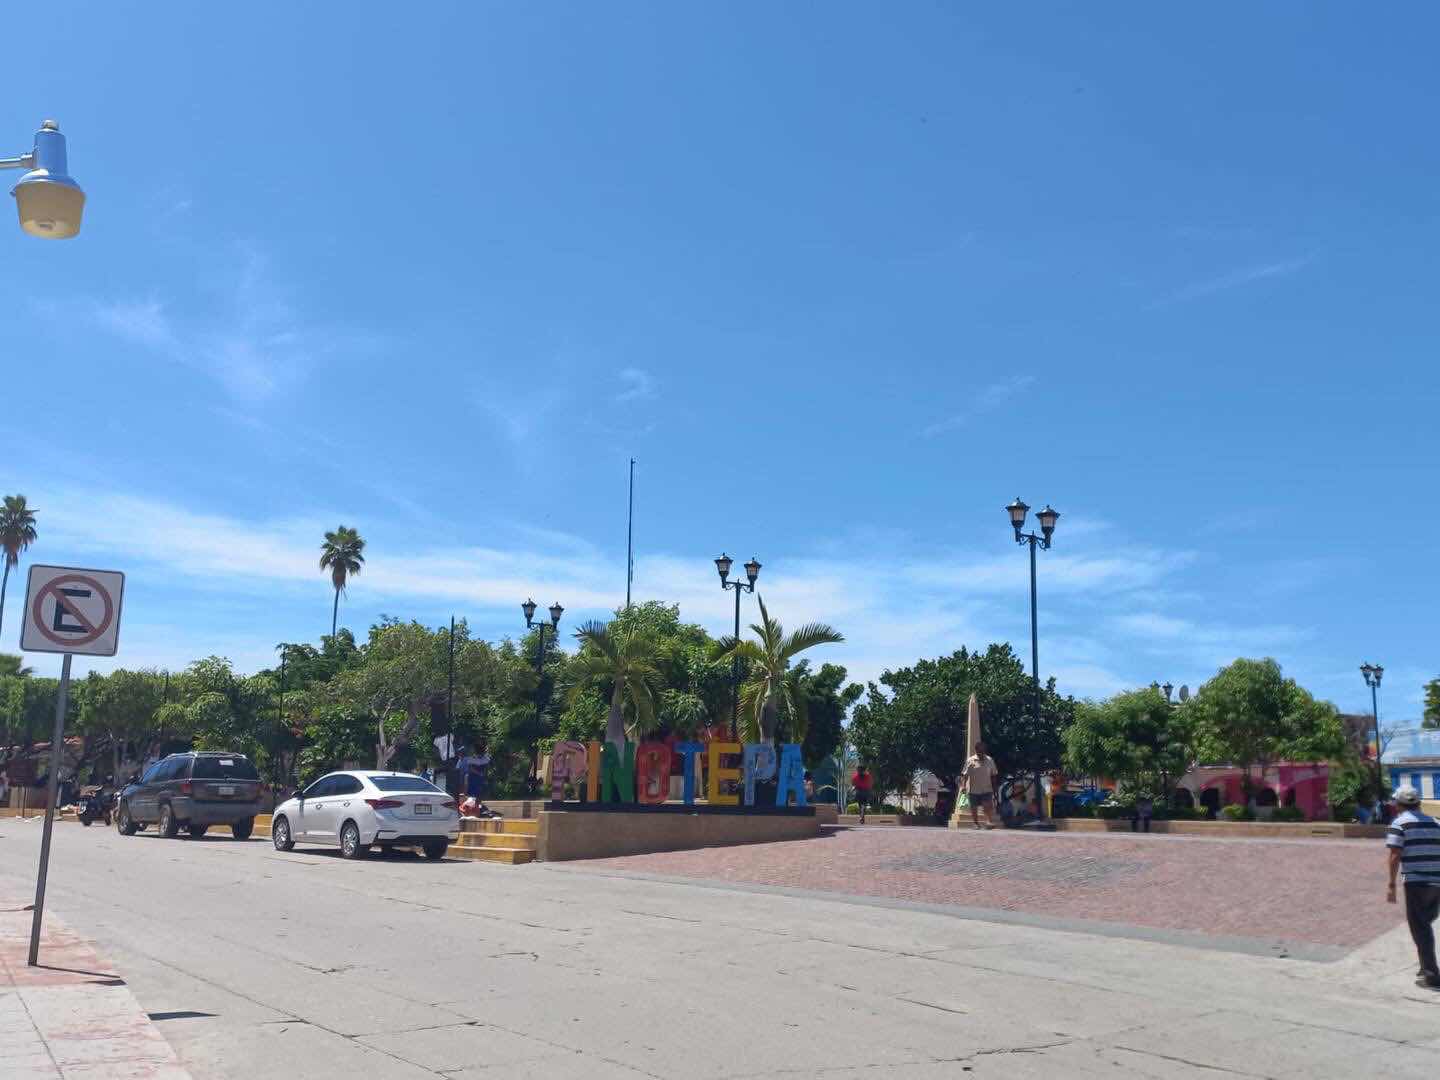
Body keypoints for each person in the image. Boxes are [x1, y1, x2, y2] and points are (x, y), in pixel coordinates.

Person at [1386, 785, 1440, 990]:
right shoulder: (1436, 822)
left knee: (1420, 927)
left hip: (1416, 881)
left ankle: (1431, 974)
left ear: (1399, 805)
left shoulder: (1399, 823)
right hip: (1437, 881)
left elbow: (1394, 856)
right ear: (1418, 804)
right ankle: (1425, 964)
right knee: (1425, 923)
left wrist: (1391, 885)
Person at [961, 742, 999, 830]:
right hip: (973, 789)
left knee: (987, 806)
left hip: (987, 788)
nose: (981, 753)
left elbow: (994, 775)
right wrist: (963, 786)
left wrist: (995, 787)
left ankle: (988, 822)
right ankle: (975, 823)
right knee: (974, 807)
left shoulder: (990, 760)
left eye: (983, 751)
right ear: (976, 750)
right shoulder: (970, 760)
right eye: (980, 751)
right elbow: (965, 775)